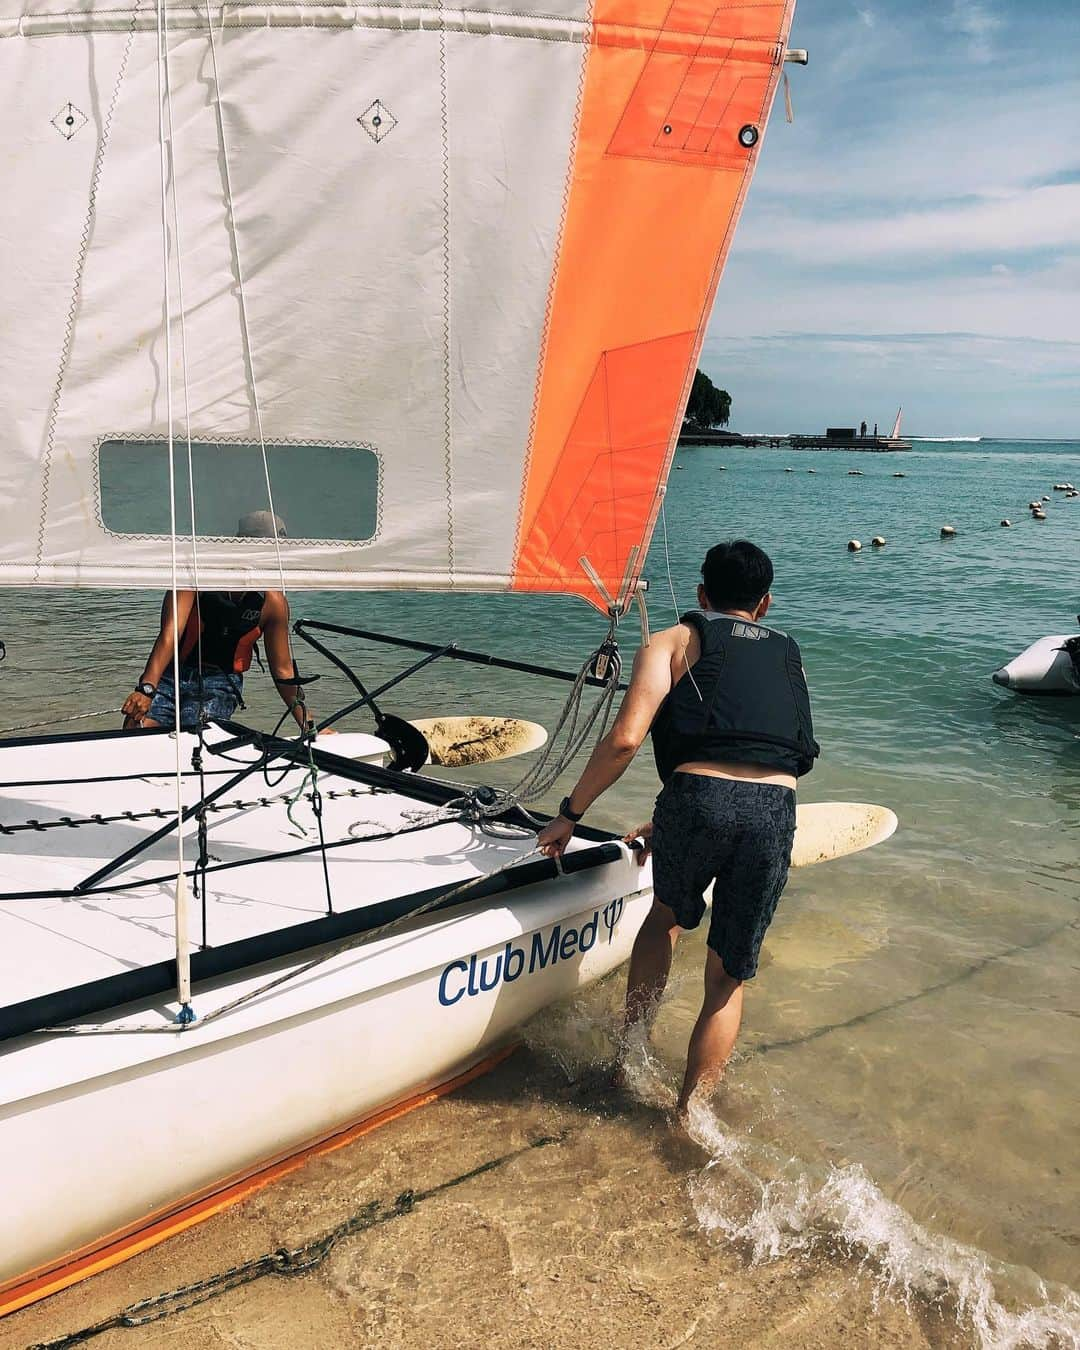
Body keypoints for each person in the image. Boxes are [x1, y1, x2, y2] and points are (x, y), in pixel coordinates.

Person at [537, 540, 818, 1118]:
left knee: (665, 919)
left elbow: (624, 740)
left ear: (700, 594)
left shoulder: (670, 641)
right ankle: (692, 1115)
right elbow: (768, 753)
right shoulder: (792, 654)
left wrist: (570, 814)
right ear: (764, 604)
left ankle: (627, 1059)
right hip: (773, 811)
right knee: (727, 977)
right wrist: (673, 819)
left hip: (695, 801)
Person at [121, 511, 316, 734]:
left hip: (219, 684)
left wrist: (307, 724)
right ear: (239, 543)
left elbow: (283, 670)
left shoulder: (273, 604)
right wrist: (146, 689)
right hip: (171, 675)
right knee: (135, 728)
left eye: (275, 551)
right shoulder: (195, 579)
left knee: (193, 736)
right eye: (262, 548)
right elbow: (170, 634)